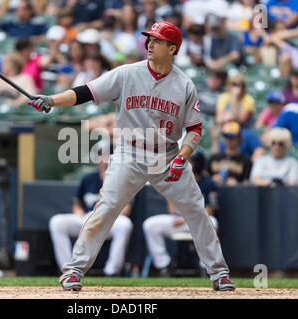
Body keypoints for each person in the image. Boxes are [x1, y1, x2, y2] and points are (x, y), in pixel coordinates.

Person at [27, 21, 236, 292]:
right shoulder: (126, 73)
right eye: (149, 38)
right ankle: (74, 270)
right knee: (106, 208)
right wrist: (52, 100)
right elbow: (86, 93)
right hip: (129, 152)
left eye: (157, 40)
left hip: (168, 153)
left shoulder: (184, 84)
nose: (149, 44)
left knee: (196, 211)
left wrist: (183, 157)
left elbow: (195, 128)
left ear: (172, 48)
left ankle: (219, 273)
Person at [49, 143, 133, 277]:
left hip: (110, 220)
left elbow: (126, 210)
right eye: (101, 156)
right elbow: (77, 204)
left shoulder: (122, 178)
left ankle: (112, 270)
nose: (102, 160)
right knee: (57, 222)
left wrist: (108, 181)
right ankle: (68, 269)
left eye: (106, 156)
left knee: (125, 224)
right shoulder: (89, 179)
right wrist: (79, 213)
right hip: (88, 217)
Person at [142, 151, 219, 277]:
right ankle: (164, 266)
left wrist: (186, 218)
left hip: (197, 222)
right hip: (180, 221)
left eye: (190, 162)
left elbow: (209, 210)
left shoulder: (208, 183)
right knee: (150, 225)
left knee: (213, 221)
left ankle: (205, 267)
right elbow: (172, 209)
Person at [208, 121, 252, 185]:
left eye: (231, 137)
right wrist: (212, 179)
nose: (228, 140)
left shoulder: (246, 160)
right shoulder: (215, 157)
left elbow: (247, 184)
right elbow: (203, 177)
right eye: (226, 137)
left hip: (235, 193)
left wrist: (237, 184)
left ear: (239, 139)